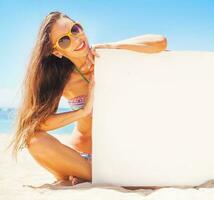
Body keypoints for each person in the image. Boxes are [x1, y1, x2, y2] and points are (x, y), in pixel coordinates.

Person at [7, 11, 167, 186]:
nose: (76, 39)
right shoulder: (63, 79)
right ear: (57, 51)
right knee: (34, 140)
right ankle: (92, 174)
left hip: (117, 154)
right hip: (80, 156)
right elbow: (39, 124)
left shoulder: (110, 56)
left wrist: (110, 47)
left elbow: (160, 42)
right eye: (64, 40)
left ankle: (93, 176)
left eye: (75, 29)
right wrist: (83, 111)